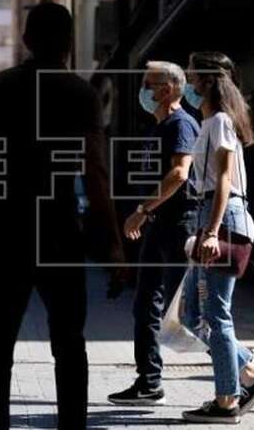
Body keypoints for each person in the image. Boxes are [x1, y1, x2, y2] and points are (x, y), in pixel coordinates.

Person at [0, 1, 123, 429]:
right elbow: (95, 173)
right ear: (68, 44)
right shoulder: (82, 94)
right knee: (69, 345)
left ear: (25, 41)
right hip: (59, 232)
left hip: (2, 231)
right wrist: (114, 246)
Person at [181, 52, 254, 424]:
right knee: (192, 314)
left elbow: (223, 180)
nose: (187, 80)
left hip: (224, 218)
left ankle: (226, 401)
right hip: (211, 216)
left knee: (215, 315)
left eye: (190, 74)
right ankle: (248, 371)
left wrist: (213, 231)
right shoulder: (209, 122)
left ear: (205, 81)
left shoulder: (219, 122)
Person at [106, 61, 201, 405]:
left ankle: (244, 372)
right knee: (145, 303)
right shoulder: (157, 128)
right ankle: (149, 381)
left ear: (170, 89)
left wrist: (143, 209)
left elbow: (179, 173)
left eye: (150, 84)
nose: (144, 91)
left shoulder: (181, 125)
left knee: (192, 312)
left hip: (178, 225)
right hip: (158, 226)